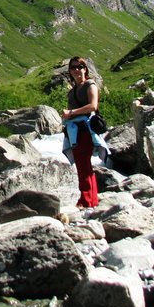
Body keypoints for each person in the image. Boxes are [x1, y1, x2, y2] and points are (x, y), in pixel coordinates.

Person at [61, 56, 109, 209]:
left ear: (85, 69)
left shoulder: (90, 85)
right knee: (83, 164)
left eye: (80, 66)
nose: (76, 70)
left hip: (86, 129)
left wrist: (71, 112)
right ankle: (91, 199)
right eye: (73, 67)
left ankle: (87, 200)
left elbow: (93, 106)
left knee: (83, 163)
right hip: (75, 131)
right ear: (69, 71)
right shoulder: (73, 91)